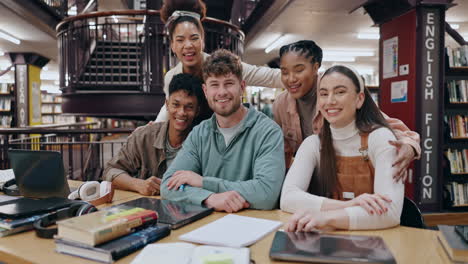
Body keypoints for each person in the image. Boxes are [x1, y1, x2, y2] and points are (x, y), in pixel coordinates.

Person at [273, 40, 420, 182]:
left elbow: (385, 124)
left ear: (315, 67)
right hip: (311, 181)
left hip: (346, 179)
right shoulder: (280, 104)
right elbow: (283, 151)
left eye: (299, 70)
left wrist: (409, 145)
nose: (291, 78)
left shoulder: (339, 92)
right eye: (284, 72)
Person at [281, 65, 404, 231]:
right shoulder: (313, 144)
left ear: (359, 99)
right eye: (324, 94)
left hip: (374, 242)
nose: (330, 100)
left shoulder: (381, 138)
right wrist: (349, 205)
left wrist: (325, 217)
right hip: (327, 242)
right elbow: (287, 198)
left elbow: (390, 212)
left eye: (340, 92)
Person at [161, 49, 285, 212]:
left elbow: (266, 194)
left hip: (255, 228)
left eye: (228, 83)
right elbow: (168, 185)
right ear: (205, 91)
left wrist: (203, 183)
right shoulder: (199, 134)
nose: (221, 92)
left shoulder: (268, 132)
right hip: (206, 228)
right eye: (214, 85)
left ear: (242, 87)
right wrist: (210, 199)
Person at [155, 0, 283, 123]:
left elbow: (271, 77)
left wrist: (298, 75)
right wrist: (154, 127)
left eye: (194, 38)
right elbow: (169, 106)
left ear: (202, 40)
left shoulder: (226, 66)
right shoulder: (171, 77)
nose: (188, 45)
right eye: (180, 40)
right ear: (172, 45)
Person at [103, 74, 204, 195]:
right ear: (167, 104)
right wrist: (138, 184)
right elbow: (110, 171)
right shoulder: (143, 136)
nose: (181, 113)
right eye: (176, 105)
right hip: (145, 209)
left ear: (197, 110)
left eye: (189, 107)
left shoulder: (203, 143)